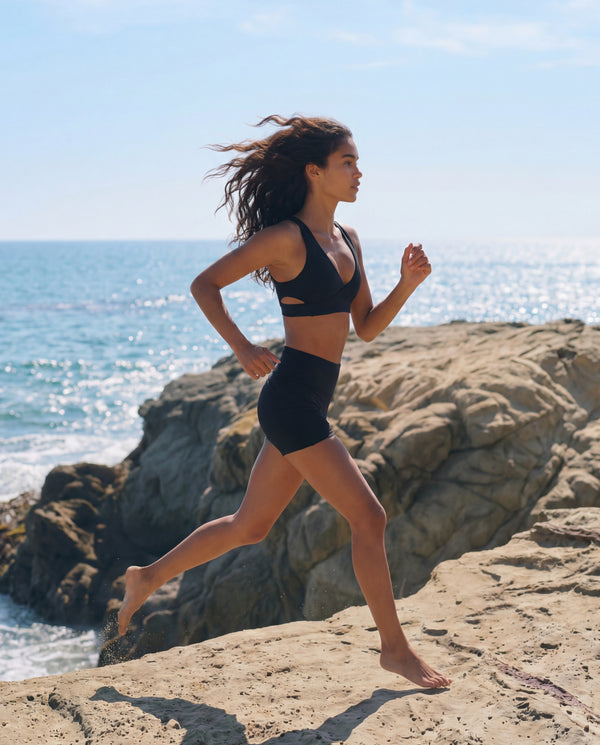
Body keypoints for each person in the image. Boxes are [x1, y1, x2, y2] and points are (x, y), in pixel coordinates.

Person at [118, 115, 451, 689]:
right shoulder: (284, 239)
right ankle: (395, 650)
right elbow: (205, 285)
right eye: (347, 162)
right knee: (369, 516)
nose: (358, 173)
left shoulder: (348, 240)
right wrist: (242, 344)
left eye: (357, 163)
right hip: (291, 399)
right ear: (314, 171)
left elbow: (366, 327)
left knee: (249, 525)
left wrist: (407, 284)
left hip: (311, 402)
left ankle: (145, 579)